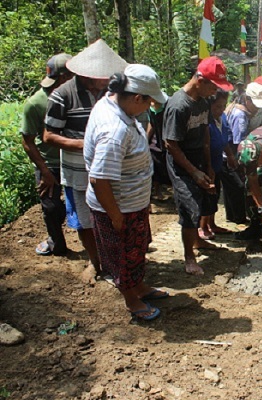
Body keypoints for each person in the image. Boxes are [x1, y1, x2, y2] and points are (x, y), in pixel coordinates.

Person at [84, 64, 169, 321]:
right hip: (118, 206)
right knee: (122, 256)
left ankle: (139, 286)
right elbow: (99, 179)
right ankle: (131, 300)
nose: (149, 108)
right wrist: (115, 215)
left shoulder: (114, 105)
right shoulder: (114, 130)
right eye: (148, 103)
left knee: (137, 249)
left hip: (131, 201)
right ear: (136, 98)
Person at [44, 39, 128, 283]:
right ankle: (94, 261)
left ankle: (115, 259)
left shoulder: (111, 92)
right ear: (88, 75)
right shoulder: (62, 95)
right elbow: (48, 135)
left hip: (110, 169)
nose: (106, 79)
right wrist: (85, 144)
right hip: (77, 170)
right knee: (85, 220)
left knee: (113, 214)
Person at [163, 56, 233, 276]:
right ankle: (189, 257)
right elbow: (170, 144)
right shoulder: (178, 105)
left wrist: (209, 164)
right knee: (189, 206)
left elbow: (204, 133)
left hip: (199, 159)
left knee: (206, 200)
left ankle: (198, 242)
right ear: (200, 80)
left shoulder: (203, 103)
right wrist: (193, 171)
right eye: (213, 86)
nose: (215, 92)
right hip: (181, 162)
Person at [21, 53, 73, 257]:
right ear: (64, 78)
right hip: (50, 163)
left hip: (75, 161)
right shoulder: (36, 104)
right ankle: (56, 243)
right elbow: (28, 141)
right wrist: (44, 171)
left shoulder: (77, 98)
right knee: (51, 207)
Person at [199, 89, 238, 239]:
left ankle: (212, 223)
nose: (221, 110)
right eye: (217, 107)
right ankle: (202, 226)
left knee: (215, 194)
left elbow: (225, 139)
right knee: (207, 195)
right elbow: (206, 146)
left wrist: (229, 155)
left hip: (218, 161)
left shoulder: (222, 118)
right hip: (207, 163)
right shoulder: (206, 123)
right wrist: (208, 166)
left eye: (223, 106)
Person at [147, 96, 170, 201]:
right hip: (155, 144)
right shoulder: (150, 109)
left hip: (167, 143)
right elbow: (151, 125)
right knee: (155, 171)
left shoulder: (168, 106)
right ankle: (157, 191)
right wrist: (146, 140)